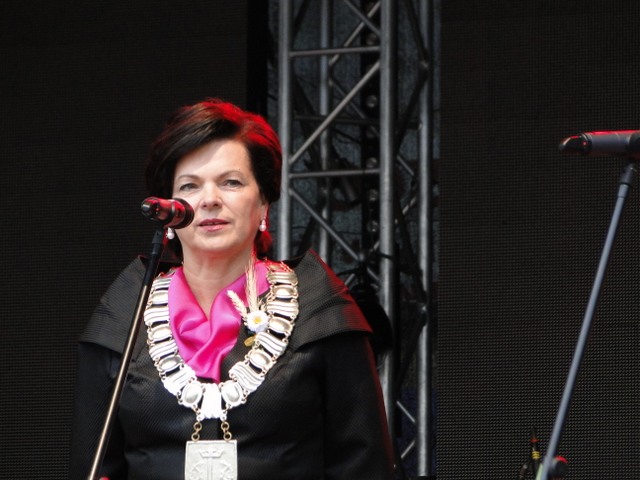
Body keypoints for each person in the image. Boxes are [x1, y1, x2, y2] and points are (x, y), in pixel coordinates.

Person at [70, 98, 395, 480]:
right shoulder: (124, 316)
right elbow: (93, 467)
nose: (209, 200)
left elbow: (363, 466)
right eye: (190, 186)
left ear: (263, 202)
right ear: (169, 210)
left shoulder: (319, 311)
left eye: (231, 182)